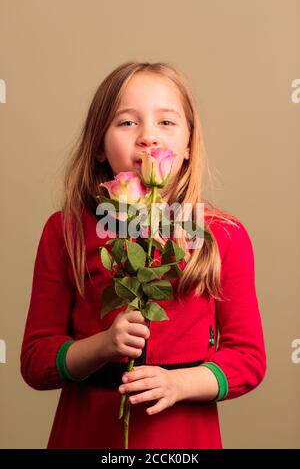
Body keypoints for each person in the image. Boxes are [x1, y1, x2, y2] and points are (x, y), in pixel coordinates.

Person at [20, 61, 267, 449]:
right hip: (87, 434)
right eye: (127, 122)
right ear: (99, 146)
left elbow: (248, 358)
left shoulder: (223, 234)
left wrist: (180, 383)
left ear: (188, 145)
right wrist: (102, 346)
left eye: (166, 122)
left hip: (184, 439)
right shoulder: (64, 230)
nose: (148, 137)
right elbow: (36, 361)